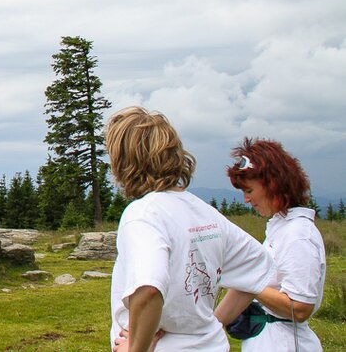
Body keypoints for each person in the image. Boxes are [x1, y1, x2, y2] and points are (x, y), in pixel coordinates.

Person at [106, 107, 274, 352]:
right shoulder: (202, 211)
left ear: (124, 159)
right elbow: (257, 266)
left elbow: (149, 289)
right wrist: (210, 325)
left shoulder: (143, 215)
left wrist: (137, 346)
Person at [215, 138, 327, 351]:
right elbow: (247, 287)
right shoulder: (281, 229)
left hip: (285, 343)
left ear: (272, 184)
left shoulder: (298, 235)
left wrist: (247, 279)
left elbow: (300, 308)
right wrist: (208, 326)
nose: (246, 200)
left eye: (249, 191)